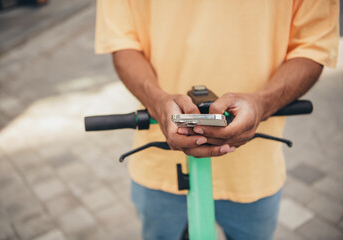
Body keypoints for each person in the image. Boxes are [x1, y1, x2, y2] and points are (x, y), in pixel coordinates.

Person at [95, 1, 339, 239]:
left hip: (254, 171)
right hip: (159, 171)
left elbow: (312, 47)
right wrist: (157, 102)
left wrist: (263, 103)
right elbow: (123, 44)